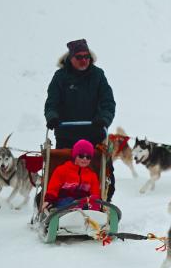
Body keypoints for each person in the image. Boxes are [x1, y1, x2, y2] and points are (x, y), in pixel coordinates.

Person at [44, 39, 117, 198]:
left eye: (87, 56)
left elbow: (108, 102)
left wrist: (104, 118)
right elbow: (51, 103)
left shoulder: (98, 75)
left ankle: (102, 204)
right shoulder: (60, 77)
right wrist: (52, 117)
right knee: (63, 175)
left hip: (94, 134)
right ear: (71, 58)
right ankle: (56, 204)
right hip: (67, 136)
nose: (84, 60)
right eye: (79, 57)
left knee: (103, 175)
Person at [42, 140, 101, 212]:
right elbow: (53, 188)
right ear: (75, 156)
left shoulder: (92, 175)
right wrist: (48, 200)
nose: (84, 159)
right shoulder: (62, 170)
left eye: (88, 157)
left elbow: (95, 192)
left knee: (90, 203)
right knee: (68, 201)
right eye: (81, 156)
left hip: (83, 203)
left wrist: (96, 202)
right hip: (64, 201)